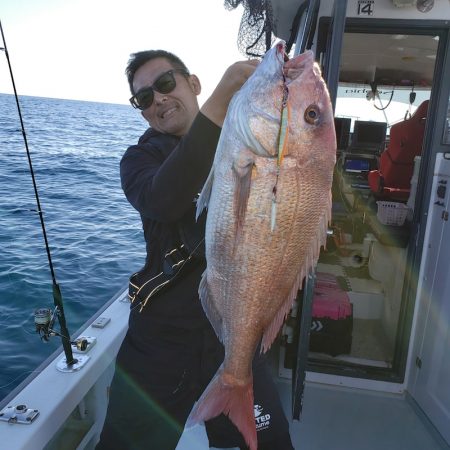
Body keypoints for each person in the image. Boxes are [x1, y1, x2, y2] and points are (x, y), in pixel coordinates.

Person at [96, 49, 294, 450]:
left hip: (234, 333)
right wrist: (223, 98)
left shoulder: (247, 138)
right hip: (160, 339)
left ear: (194, 84)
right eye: (144, 98)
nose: (159, 99)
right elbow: (163, 199)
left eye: (166, 84)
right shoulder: (139, 159)